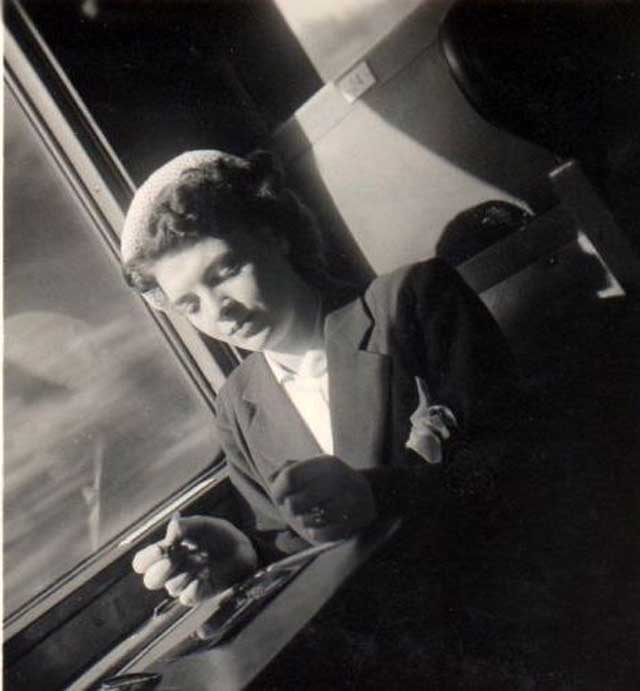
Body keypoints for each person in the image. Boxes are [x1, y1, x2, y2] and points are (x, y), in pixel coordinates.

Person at [121, 150, 533, 682]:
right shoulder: (238, 407)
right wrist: (246, 559)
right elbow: (295, 548)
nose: (218, 311)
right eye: (190, 305)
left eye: (225, 271)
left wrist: (379, 495)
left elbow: (519, 464)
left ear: (274, 233)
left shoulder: (412, 301)